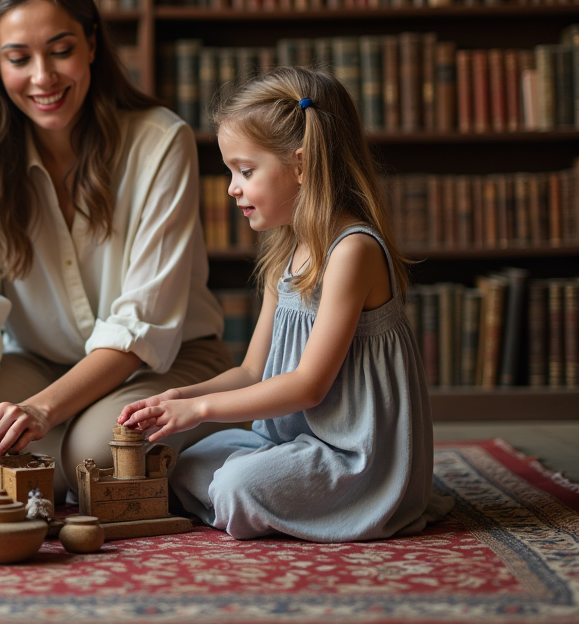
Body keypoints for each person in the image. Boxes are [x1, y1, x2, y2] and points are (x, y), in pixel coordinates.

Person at [0, 0, 235, 503]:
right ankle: (55, 444)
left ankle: (68, 443)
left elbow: (142, 326)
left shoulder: (162, 142)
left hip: (167, 357)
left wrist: (43, 410)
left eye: (61, 50)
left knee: (95, 457)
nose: (43, 78)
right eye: (19, 58)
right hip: (39, 363)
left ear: (92, 43)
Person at [119, 66, 456, 542]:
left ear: (300, 165)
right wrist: (182, 398)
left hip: (350, 455)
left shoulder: (352, 251)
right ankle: (274, 500)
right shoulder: (285, 249)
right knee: (187, 462)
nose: (232, 187)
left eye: (246, 170)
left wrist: (201, 412)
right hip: (288, 440)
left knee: (235, 485)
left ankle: (311, 502)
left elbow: (308, 386)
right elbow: (253, 371)